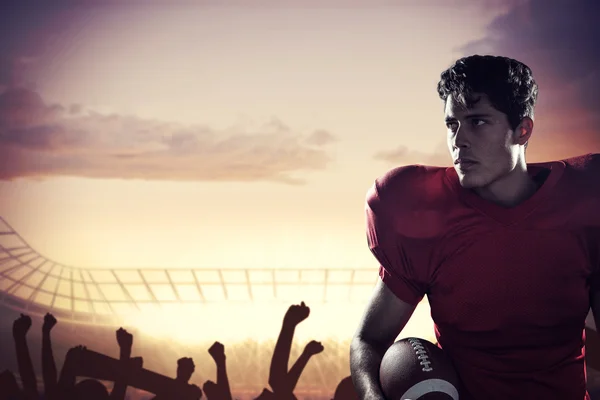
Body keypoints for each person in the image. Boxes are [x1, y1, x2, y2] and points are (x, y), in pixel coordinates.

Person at [350, 54, 600, 400]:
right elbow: (369, 340)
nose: (458, 140)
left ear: (522, 130)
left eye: (477, 122)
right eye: (452, 124)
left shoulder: (584, 203)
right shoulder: (425, 214)